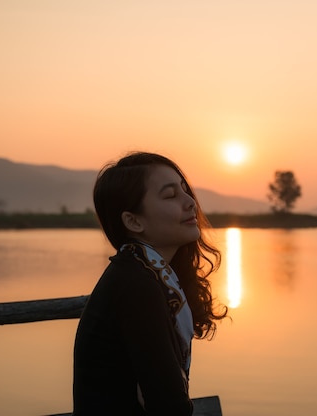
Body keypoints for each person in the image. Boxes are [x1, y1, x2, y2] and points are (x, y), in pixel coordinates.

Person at [73, 151, 228, 415]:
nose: (190, 202)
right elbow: (169, 405)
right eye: (170, 195)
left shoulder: (145, 274)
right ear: (133, 221)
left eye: (184, 190)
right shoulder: (135, 285)